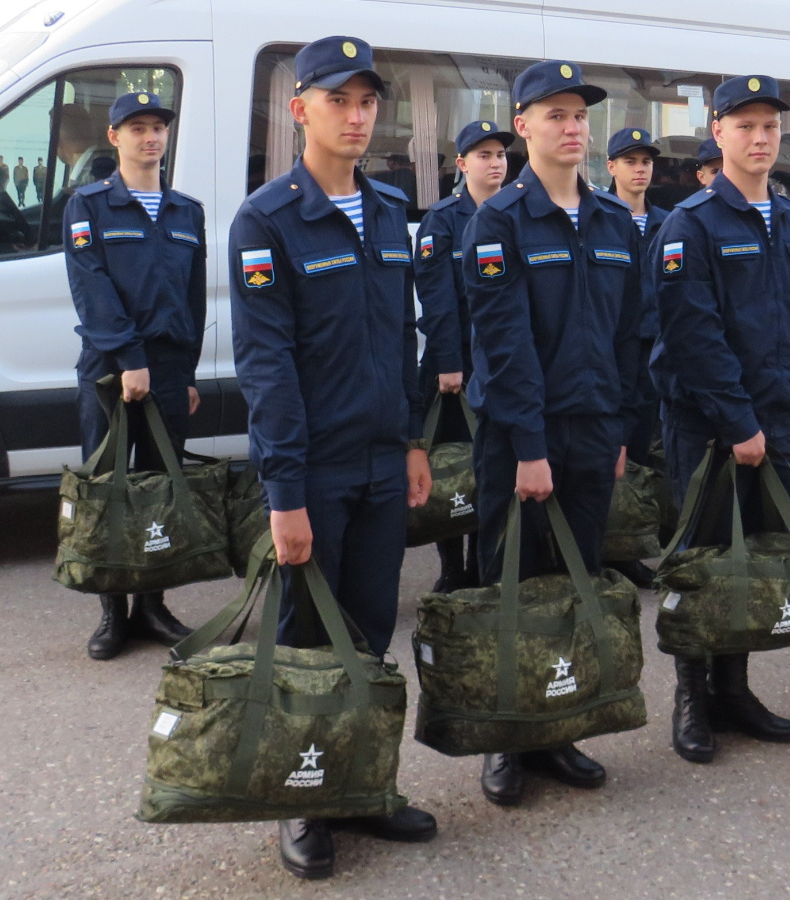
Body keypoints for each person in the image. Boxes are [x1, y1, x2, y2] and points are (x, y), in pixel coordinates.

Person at [229, 36, 438, 879]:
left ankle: (361, 785)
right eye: (338, 100)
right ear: (300, 110)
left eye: (367, 101)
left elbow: (400, 334)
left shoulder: (387, 209)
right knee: (308, 643)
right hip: (314, 470)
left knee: (371, 633)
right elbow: (266, 365)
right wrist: (284, 493)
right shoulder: (267, 219)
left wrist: (413, 438)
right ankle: (302, 799)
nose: (356, 117)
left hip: (383, 462)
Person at [462, 59, 644, 808]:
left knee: (573, 581)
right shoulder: (499, 221)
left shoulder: (612, 221)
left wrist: (621, 427)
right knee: (512, 585)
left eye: (580, 116)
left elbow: (629, 335)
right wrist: (530, 449)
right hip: (520, 440)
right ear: (524, 126)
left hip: (594, 430)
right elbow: (504, 349)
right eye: (556, 115)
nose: (573, 128)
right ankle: (507, 737)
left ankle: (557, 728)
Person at [650, 74, 790, 763]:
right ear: (717, 132)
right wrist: (738, 423)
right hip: (710, 428)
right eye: (745, 126)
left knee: (750, 560)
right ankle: (692, 698)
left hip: (777, 422)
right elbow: (692, 334)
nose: (759, 138)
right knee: (704, 563)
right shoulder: (691, 223)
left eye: (770, 127)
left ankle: (735, 690)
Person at [64, 91, 205, 662]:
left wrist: (187, 372)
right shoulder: (89, 205)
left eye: (158, 128)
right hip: (110, 371)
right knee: (110, 492)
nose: (151, 137)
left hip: (168, 370)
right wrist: (129, 359)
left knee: (161, 490)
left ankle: (151, 605)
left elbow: (192, 298)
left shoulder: (186, 211)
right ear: (114, 136)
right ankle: (112, 613)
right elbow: (90, 287)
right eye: (138, 128)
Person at [414, 119, 516, 593]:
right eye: (484, 155)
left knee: (490, 466)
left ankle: (483, 563)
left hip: (501, 361)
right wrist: (447, 362)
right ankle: (452, 566)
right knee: (453, 467)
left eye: (500, 155)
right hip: (456, 364)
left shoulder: (514, 212)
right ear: (462, 164)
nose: (495, 163)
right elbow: (436, 299)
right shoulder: (442, 220)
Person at [606, 127, 666, 474]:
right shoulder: (599, 220)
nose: (640, 169)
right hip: (615, 346)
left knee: (651, 440)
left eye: (646, 162)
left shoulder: (668, 223)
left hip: (660, 345)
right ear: (612, 167)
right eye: (630, 161)